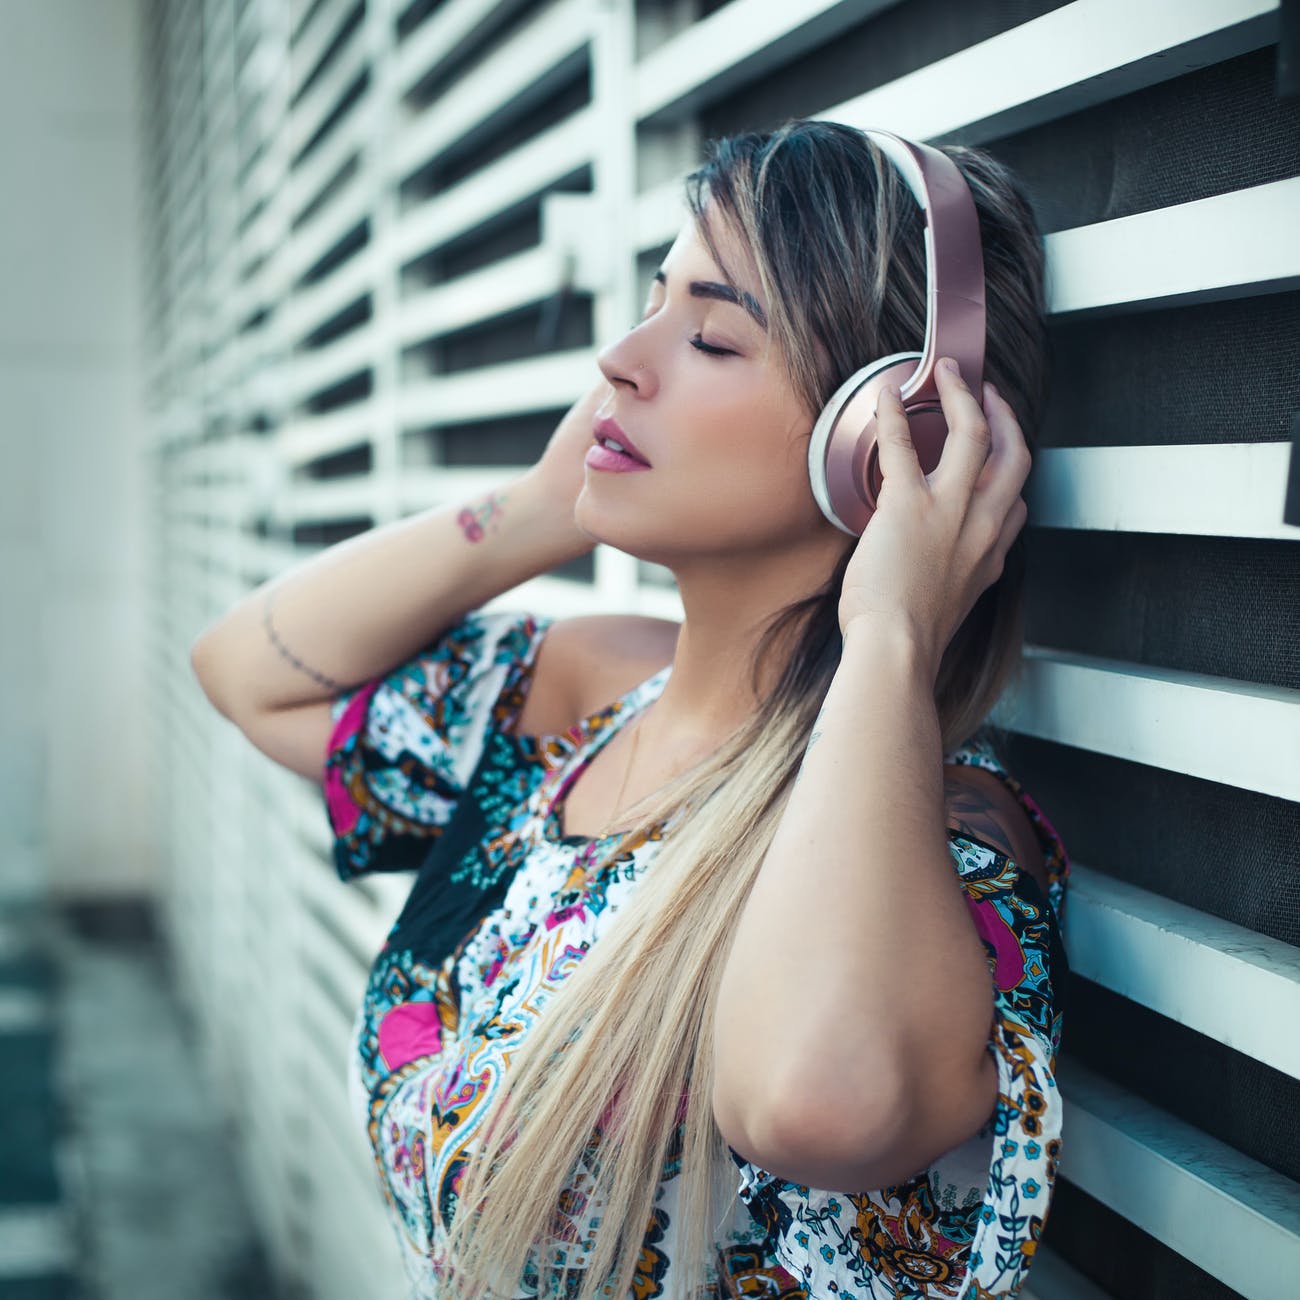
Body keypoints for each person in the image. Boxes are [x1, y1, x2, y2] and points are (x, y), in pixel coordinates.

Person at [191, 119, 1069, 1300]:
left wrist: (892, 632)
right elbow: (247, 671)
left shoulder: (945, 841)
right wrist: (547, 505)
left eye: (709, 333)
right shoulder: (580, 699)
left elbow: (815, 1102)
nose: (619, 356)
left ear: (886, 438)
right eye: (653, 302)